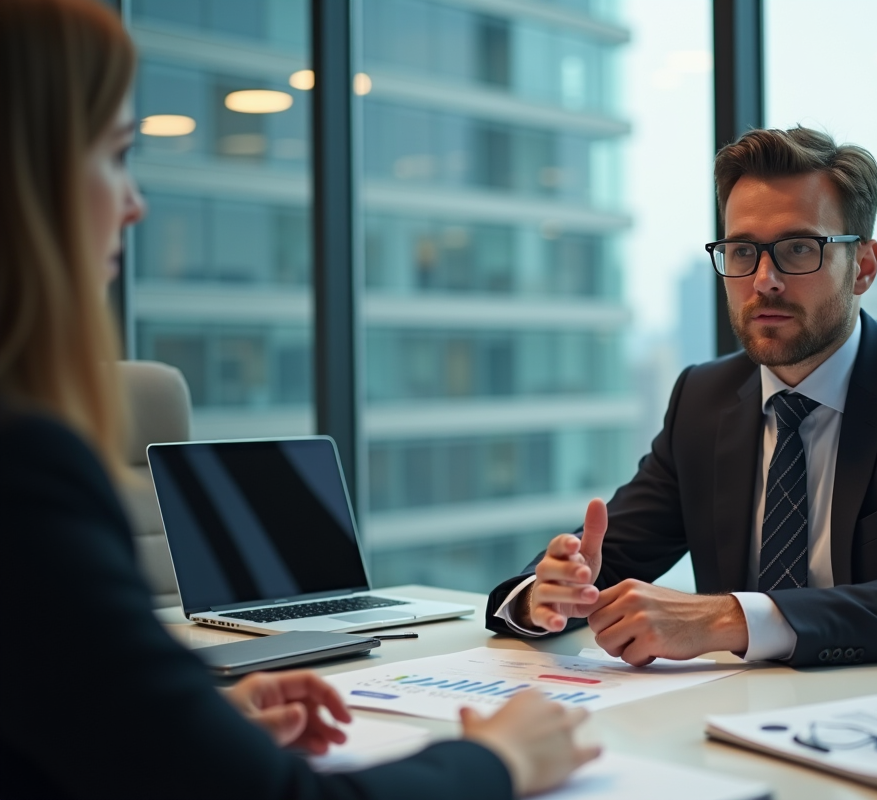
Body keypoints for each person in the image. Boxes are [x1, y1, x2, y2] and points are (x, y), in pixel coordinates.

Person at [0, 1, 597, 797]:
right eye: (115, 156)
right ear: (27, 181)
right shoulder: (25, 465)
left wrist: (196, 726)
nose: (135, 203)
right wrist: (501, 757)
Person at [486, 126, 877, 669]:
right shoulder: (703, 398)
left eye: (799, 249)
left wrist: (729, 619)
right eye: (742, 251)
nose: (764, 280)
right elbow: (609, 557)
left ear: (863, 267)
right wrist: (546, 595)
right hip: (748, 707)